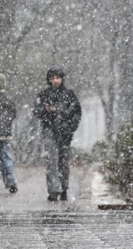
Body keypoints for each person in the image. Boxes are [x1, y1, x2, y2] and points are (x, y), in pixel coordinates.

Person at [34, 68, 81, 202]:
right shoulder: (44, 94)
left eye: (58, 78)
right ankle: (54, 190)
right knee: (52, 162)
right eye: (53, 78)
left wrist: (70, 126)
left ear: (62, 79)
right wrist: (45, 110)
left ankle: (64, 187)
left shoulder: (69, 94)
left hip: (65, 133)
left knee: (63, 162)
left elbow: (77, 112)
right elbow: (36, 110)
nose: (55, 81)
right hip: (49, 131)